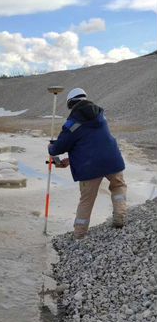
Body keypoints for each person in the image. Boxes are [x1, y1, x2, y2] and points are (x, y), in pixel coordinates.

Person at [48, 88, 127, 239]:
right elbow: (92, 142)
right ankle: (120, 217)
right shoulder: (100, 115)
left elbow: (60, 146)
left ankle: (79, 234)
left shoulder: (73, 123)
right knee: (118, 186)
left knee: (87, 199)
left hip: (89, 166)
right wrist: (71, 160)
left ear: (71, 104)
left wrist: (51, 148)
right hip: (112, 159)